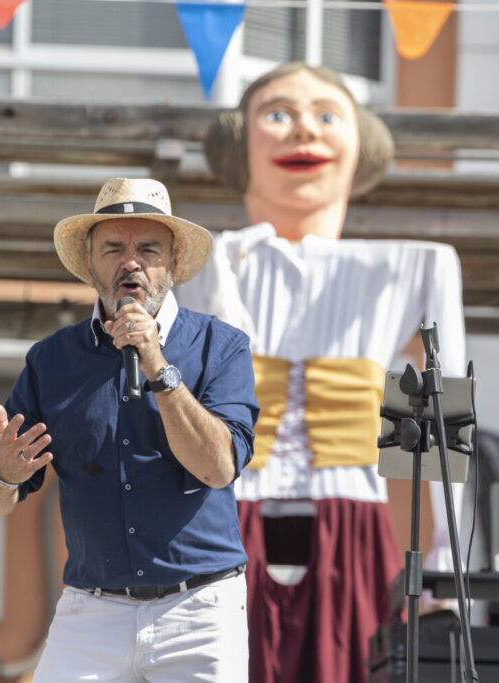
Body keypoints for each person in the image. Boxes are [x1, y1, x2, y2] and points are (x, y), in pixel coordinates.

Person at [176, 62, 467, 683]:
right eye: (276, 115)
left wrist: (451, 560)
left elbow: (444, 418)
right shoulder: (198, 260)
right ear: (238, 141)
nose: (303, 131)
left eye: (328, 116)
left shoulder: (419, 266)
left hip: (353, 518)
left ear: (361, 141)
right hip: (220, 513)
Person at [0, 177, 260, 682]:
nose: (132, 262)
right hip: (91, 613)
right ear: (90, 264)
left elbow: (218, 468)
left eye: (148, 248)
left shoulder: (221, 346)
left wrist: (157, 365)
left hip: (198, 609)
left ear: (171, 264)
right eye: (113, 248)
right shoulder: (50, 361)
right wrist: (4, 474)